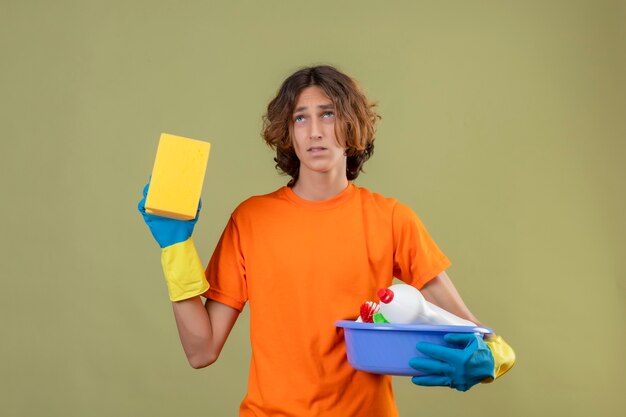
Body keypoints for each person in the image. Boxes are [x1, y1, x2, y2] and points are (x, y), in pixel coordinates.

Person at [138, 65, 515, 417]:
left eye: (328, 114)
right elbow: (201, 350)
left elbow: (475, 331)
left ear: (351, 126)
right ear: (288, 132)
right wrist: (175, 249)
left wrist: (494, 359)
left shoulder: (391, 219)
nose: (314, 130)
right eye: (301, 117)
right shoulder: (251, 219)